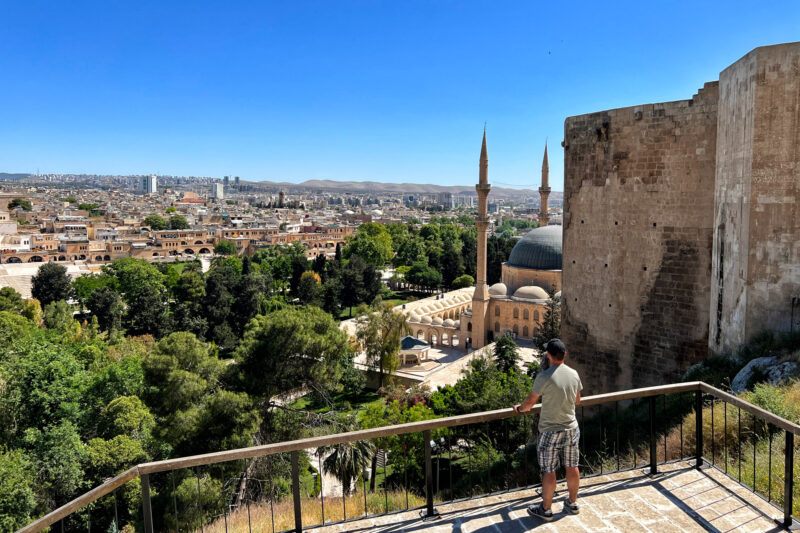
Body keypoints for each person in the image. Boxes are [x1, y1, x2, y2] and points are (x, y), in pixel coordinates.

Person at [514, 338, 582, 521]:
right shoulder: (574, 374)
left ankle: (545, 509)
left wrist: (519, 409)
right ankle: (573, 502)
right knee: (572, 465)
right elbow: (577, 401)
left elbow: (529, 403)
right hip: (571, 428)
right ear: (565, 355)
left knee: (549, 470)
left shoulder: (544, 376)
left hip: (550, 430)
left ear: (549, 355)